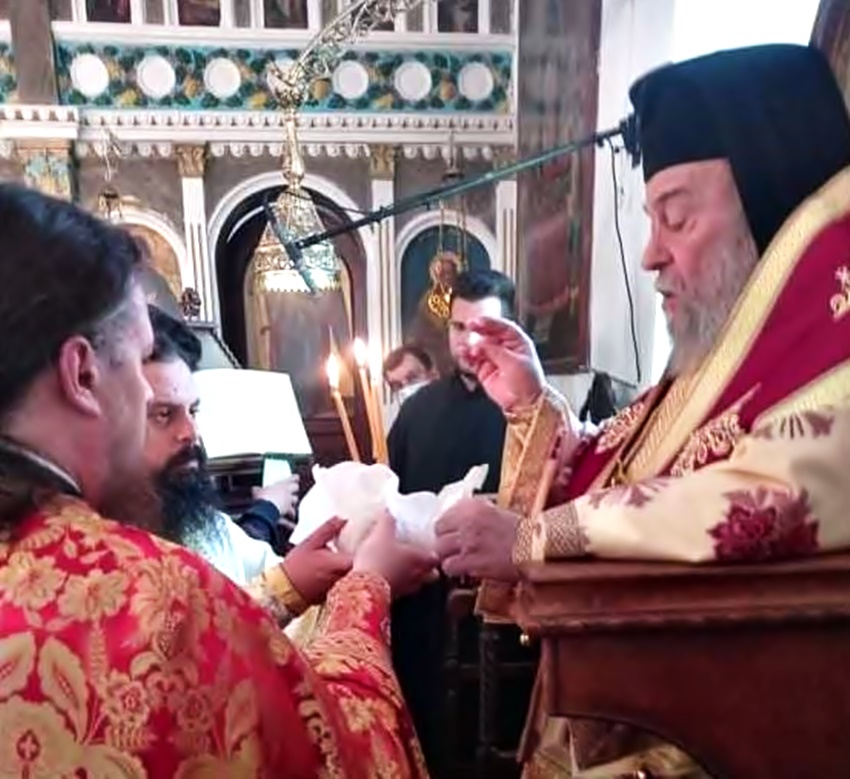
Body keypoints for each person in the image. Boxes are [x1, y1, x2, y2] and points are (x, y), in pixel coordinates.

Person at [434, 44, 850, 777]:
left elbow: (766, 496)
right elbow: (622, 466)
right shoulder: (721, 365)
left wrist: (531, 539)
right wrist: (531, 405)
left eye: (676, 218)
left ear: (770, 207)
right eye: (651, 220)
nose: (651, 254)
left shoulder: (831, 354)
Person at [0, 182, 436, 776]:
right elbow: (344, 754)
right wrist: (366, 589)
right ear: (82, 374)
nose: (157, 409)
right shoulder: (149, 598)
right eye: (139, 364)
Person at [143, 305, 349, 627]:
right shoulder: (102, 557)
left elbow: (273, 569)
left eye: (193, 411)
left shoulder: (201, 520)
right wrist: (290, 587)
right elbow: (190, 644)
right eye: (163, 415)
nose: (192, 434)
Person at [388, 267, 516, 775]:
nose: (468, 341)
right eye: (459, 327)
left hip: (497, 608)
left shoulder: (529, 410)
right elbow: (393, 496)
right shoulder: (416, 411)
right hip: (424, 600)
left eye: (482, 328)